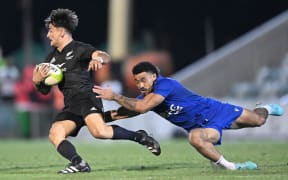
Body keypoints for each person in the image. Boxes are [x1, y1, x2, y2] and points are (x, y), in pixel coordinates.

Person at [32, 9, 160, 174]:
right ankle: (79, 163)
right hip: (70, 105)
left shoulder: (79, 48)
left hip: (86, 98)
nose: (48, 35)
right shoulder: (50, 58)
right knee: (55, 134)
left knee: (100, 132)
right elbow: (44, 91)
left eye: (51, 30)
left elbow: (104, 55)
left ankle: (140, 136)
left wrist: (97, 58)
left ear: (61, 32)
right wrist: (37, 82)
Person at [93, 61, 285, 170]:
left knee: (258, 120)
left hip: (216, 111)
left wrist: (115, 96)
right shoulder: (148, 96)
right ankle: (231, 166)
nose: (140, 85)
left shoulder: (165, 85)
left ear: (154, 76)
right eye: (137, 82)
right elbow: (129, 110)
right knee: (195, 137)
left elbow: (141, 108)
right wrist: (97, 117)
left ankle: (266, 108)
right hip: (202, 127)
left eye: (143, 80)